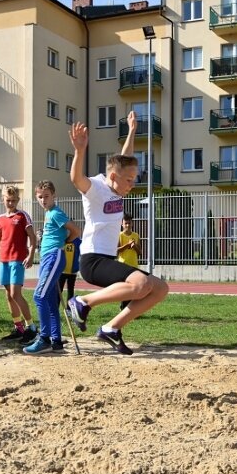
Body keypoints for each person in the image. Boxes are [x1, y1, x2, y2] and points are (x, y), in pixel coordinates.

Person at [67, 111, 169, 355]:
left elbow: (125, 158)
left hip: (108, 260)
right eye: (129, 181)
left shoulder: (117, 185)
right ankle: (82, 302)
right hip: (92, 259)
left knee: (160, 288)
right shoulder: (97, 188)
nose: (132, 185)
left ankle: (111, 328)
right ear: (113, 177)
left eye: (134, 180)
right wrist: (80, 151)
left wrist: (132, 131)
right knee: (141, 282)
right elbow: (75, 178)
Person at [23, 181, 81, 354]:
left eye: (46, 196)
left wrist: (65, 242)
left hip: (54, 257)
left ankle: (44, 338)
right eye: (40, 197)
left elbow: (76, 231)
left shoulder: (55, 213)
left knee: (39, 297)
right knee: (49, 300)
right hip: (47, 258)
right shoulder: (49, 214)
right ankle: (56, 340)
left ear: (54, 196)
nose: (43, 200)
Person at [0, 185, 38, 343]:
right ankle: (18, 328)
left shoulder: (22, 216)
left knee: (16, 294)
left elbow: (33, 238)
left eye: (14, 200)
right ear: (3, 200)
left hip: (17, 260)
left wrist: (31, 255)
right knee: (9, 296)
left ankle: (31, 327)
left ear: (18, 200)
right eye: (8, 200)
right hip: (4, 261)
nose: (11, 203)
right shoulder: (0, 219)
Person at [116, 213, 141, 310]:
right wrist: (127, 245)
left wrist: (134, 246)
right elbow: (117, 250)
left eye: (129, 223)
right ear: (122, 224)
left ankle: (131, 309)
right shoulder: (120, 235)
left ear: (132, 224)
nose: (127, 225)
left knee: (134, 287)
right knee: (125, 288)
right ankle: (124, 307)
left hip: (133, 265)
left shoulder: (136, 235)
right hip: (123, 265)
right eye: (125, 223)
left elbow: (140, 252)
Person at [59, 237, 81, 302]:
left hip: (73, 271)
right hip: (62, 270)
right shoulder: (62, 239)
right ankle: (55, 308)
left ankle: (69, 308)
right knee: (59, 290)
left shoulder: (78, 241)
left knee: (70, 290)